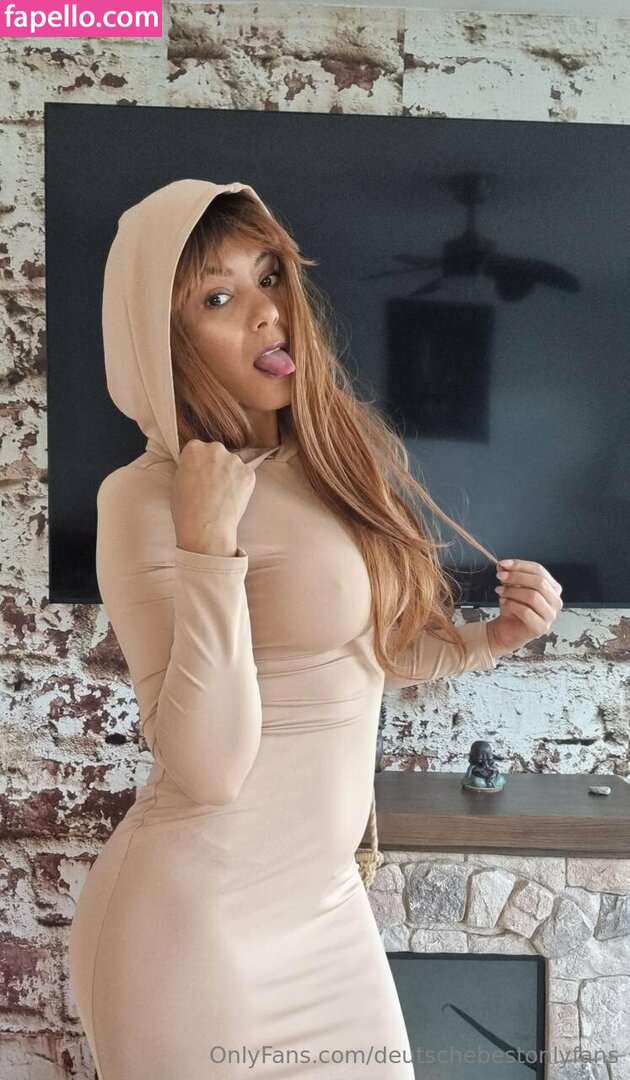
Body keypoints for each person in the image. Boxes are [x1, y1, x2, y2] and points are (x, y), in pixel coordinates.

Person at [67, 178, 562, 1079]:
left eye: (269, 277)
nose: (267, 311)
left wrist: (489, 640)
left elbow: (360, 655)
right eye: (218, 298)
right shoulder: (144, 497)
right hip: (196, 936)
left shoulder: (325, 462)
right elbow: (209, 767)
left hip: (327, 916)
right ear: (162, 339)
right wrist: (208, 546)